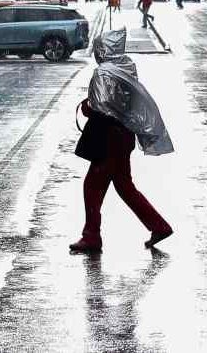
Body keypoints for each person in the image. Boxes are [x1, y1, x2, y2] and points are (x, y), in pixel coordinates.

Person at [70, 30, 173, 254]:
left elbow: (102, 106)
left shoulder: (104, 73)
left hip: (107, 138)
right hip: (124, 137)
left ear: (103, 50)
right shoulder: (127, 67)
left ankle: (91, 237)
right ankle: (159, 226)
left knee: (92, 186)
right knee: (125, 186)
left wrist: (86, 107)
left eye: (98, 49)